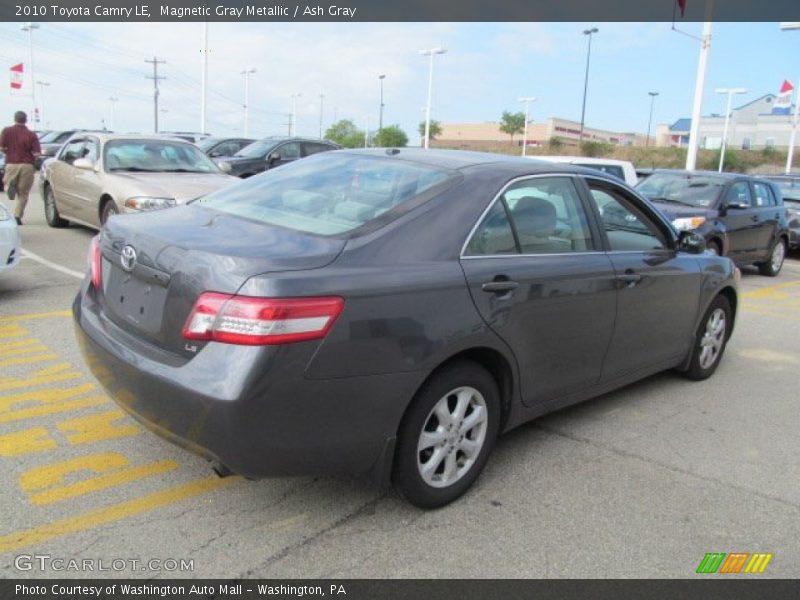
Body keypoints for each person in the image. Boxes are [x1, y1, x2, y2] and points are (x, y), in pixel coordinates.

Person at [0, 111, 41, 225]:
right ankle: (17, 215)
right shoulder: (31, 134)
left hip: (11, 163)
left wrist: (8, 151)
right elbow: (37, 153)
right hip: (27, 165)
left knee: (7, 182)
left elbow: (2, 147)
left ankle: (9, 186)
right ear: (25, 120)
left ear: (15, 119)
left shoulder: (6, 131)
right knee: (23, 193)